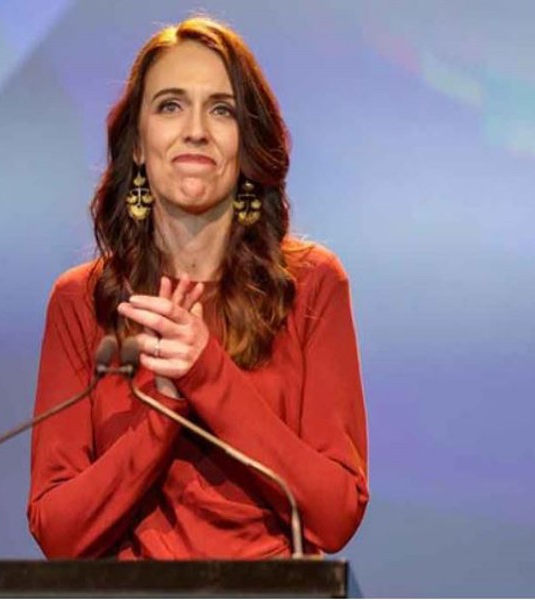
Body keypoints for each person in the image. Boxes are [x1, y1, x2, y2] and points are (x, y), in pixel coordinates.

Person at [28, 16, 368, 559]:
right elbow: (60, 534)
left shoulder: (311, 285)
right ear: (137, 145)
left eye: (222, 109)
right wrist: (164, 408)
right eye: (169, 105)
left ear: (246, 142)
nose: (195, 130)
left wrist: (207, 373)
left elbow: (334, 514)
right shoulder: (81, 301)